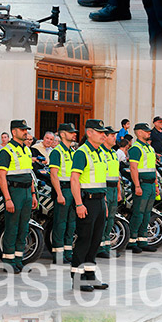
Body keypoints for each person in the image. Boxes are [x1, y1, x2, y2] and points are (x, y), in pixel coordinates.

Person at [70, 120, 109, 292]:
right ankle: (78, 279)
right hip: (86, 201)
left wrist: (104, 203)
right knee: (84, 240)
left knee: (96, 240)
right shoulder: (82, 152)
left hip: (99, 201)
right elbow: (74, 179)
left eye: (104, 132)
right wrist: (79, 203)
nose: (104, 135)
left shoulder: (101, 152)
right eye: (100, 132)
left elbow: (101, 180)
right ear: (89, 132)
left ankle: (90, 276)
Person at [0, 119, 38, 274]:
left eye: (26, 129)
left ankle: (18, 260)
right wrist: (7, 198)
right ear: (14, 132)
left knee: (24, 227)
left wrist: (33, 194)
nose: (25, 132)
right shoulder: (6, 151)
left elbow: (29, 173)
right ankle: (8, 261)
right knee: (12, 227)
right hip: (14, 192)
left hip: (27, 191)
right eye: (22, 130)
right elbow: (2, 176)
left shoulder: (27, 150)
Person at [49, 122, 78, 264]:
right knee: (60, 223)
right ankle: (58, 254)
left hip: (73, 190)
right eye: (71, 132)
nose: (74, 134)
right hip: (63, 189)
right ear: (62, 134)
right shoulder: (57, 152)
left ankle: (68, 251)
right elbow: (53, 174)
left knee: (71, 223)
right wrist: (59, 194)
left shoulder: (73, 152)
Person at [128, 123, 158, 253]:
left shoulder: (150, 148)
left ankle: (143, 239)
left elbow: (153, 168)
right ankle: (132, 240)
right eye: (146, 131)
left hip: (150, 184)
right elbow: (133, 168)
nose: (148, 133)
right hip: (142, 184)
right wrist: (137, 186)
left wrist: (156, 185)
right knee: (138, 213)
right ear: (138, 133)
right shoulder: (136, 148)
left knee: (146, 213)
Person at [99, 126, 122, 257]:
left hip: (113, 188)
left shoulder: (114, 153)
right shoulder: (101, 153)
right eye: (112, 136)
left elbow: (116, 175)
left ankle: (106, 245)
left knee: (111, 218)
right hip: (105, 188)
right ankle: (100, 247)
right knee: (104, 218)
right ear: (105, 137)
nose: (115, 138)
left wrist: (119, 192)